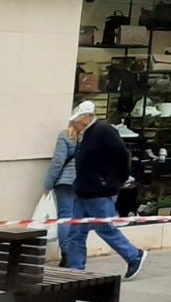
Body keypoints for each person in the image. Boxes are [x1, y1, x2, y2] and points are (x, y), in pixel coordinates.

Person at [62, 102, 147, 277]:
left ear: (86, 118)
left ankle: (134, 255)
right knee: (76, 232)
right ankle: (75, 268)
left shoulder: (103, 130)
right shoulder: (86, 133)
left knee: (104, 228)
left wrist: (114, 181)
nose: (74, 125)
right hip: (84, 190)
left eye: (76, 121)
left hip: (98, 192)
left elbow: (122, 155)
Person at [42, 110, 81, 262]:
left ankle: (66, 254)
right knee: (78, 219)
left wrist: (48, 183)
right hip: (84, 182)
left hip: (65, 182)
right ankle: (76, 253)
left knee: (65, 217)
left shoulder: (65, 135)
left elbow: (58, 162)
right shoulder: (90, 138)